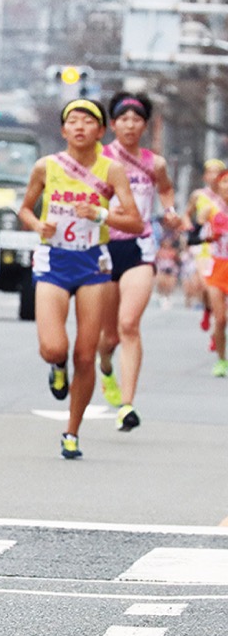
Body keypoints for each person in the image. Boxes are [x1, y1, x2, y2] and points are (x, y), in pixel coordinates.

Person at [17, 99, 143, 460]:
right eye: (73, 121)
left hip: (92, 264)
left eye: (88, 121)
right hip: (54, 262)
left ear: (101, 131)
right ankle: (57, 368)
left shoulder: (112, 170)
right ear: (63, 130)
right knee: (54, 348)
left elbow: (135, 222)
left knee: (86, 356)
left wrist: (100, 214)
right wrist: (38, 224)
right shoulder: (46, 166)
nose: (80, 127)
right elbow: (25, 209)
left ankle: (71, 432)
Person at [95, 92, 182, 432]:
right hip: (104, 248)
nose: (130, 125)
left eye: (137, 120)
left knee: (129, 325)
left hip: (139, 247)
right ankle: (105, 367)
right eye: (124, 119)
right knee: (109, 338)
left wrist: (170, 211)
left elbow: (166, 190)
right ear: (113, 124)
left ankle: (127, 405)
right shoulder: (99, 158)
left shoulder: (154, 163)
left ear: (145, 126)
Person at [184, 157, 226, 343]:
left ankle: (217, 326)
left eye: (218, 172)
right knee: (206, 285)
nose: (214, 176)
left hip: (222, 248)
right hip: (204, 247)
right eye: (210, 172)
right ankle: (210, 311)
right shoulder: (199, 195)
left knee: (217, 293)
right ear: (205, 176)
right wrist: (189, 228)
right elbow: (187, 215)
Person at [194, 167, 228, 377]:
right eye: (224, 182)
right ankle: (222, 360)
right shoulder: (211, 209)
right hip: (217, 268)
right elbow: (193, 237)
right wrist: (208, 236)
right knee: (221, 319)